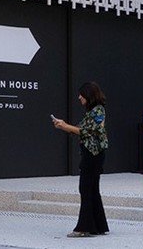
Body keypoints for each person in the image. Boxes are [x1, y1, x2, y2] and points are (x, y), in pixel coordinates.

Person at [52, 81, 109, 237]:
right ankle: (97, 225)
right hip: (92, 154)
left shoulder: (98, 111)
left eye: (81, 94)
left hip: (93, 155)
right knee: (91, 189)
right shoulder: (94, 111)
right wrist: (65, 127)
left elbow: (86, 131)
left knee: (86, 188)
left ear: (88, 95)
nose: (79, 97)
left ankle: (84, 227)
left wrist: (65, 126)